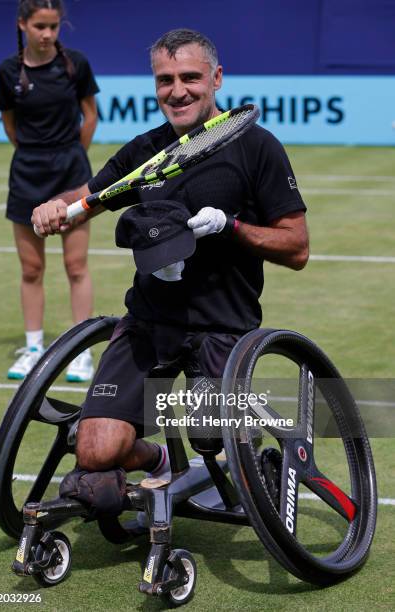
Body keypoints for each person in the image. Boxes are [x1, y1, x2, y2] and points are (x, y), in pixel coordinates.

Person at [32, 29, 309, 517]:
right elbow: (88, 197)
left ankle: (233, 457)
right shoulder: (145, 151)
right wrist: (55, 208)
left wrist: (233, 226)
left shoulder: (257, 147)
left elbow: (297, 246)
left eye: (190, 77)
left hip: (224, 327)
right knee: (95, 452)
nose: (177, 90)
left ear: (216, 79)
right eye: (165, 79)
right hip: (149, 324)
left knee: (217, 442)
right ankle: (162, 456)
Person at [0, 0, 99, 382]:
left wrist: (73, 157)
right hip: (26, 174)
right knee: (32, 268)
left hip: (71, 172)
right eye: (40, 26)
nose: (47, 34)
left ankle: (81, 351)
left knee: (75, 266)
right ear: (23, 24)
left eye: (54, 26)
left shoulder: (76, 65)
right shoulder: (8, 71)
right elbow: (10, 125)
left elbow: (90, 116)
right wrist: (35, 153)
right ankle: (34, 347)